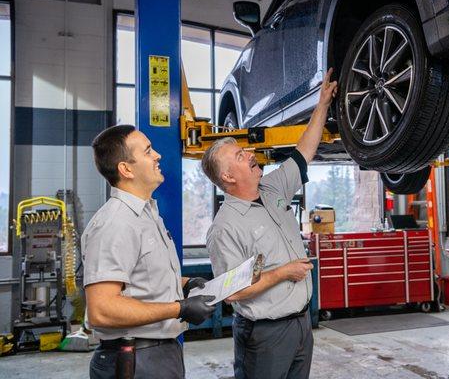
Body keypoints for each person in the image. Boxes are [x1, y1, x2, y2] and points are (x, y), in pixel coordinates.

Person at [203, 68, 338, 379]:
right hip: (264, 334)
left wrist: (322, 105)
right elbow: (233, 292)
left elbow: (305, 149)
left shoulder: (274, 187)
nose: (250, 153)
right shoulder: (225, 227)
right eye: (239, 155)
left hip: (301, 324)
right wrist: (283, 273)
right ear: (228, 177)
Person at [83, 125, 216, 379]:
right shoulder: (116, 223)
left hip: (157, 352)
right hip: (133, 359)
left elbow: (139, 279)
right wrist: (180, 308)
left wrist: (186, 284)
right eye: (147, 151)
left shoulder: (146, 214)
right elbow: (102, 309)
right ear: (126, 169)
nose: (157, 155)